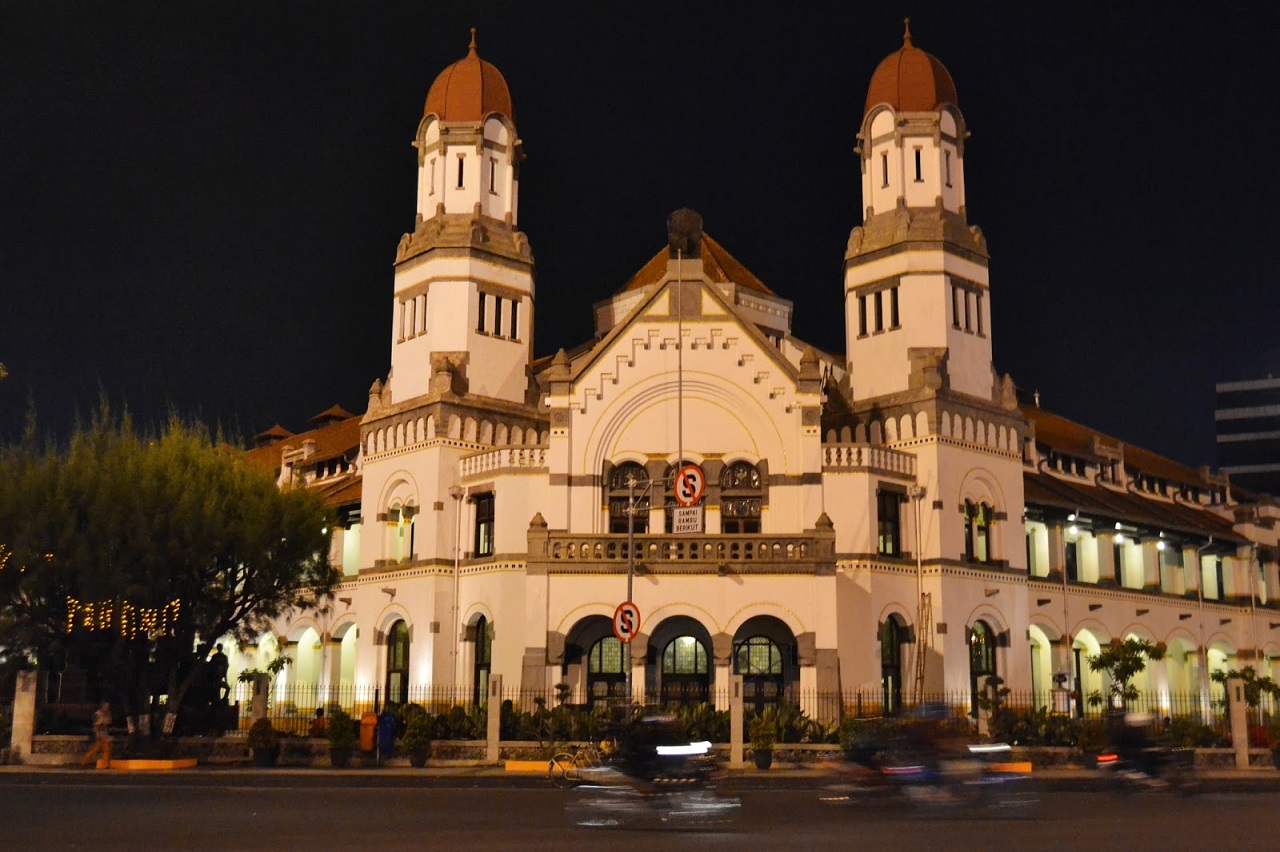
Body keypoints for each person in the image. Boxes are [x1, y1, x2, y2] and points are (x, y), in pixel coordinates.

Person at [79, 701, 113, 769]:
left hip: (105, 734)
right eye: (106, 707)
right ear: (102, 706)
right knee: (97, 750)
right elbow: (96, 725)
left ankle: (106, 765)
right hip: (100, 734)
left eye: (108, 707)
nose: (107, 708)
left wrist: (106, 720)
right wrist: (98, 734)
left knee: (105, 750)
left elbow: (109, 721)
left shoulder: (107, 713)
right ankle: (83, 762)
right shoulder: (97, 714)